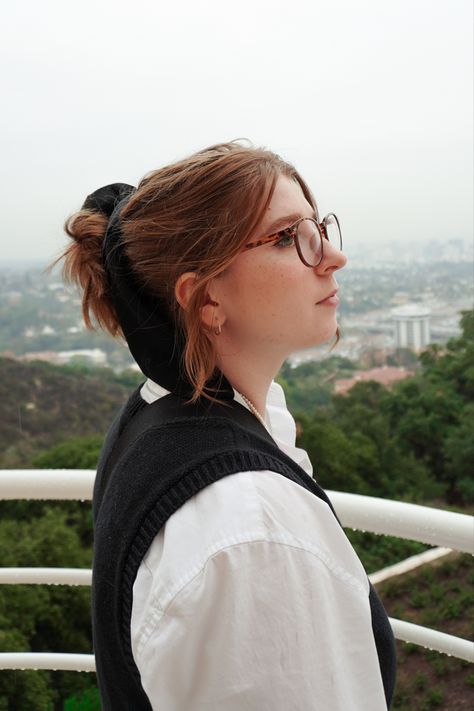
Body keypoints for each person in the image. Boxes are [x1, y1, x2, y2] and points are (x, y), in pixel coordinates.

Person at [59, 141, 396, 710]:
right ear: (205, 297)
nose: (332, 258)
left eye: (318, 228)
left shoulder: (155, 416)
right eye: (289, 238)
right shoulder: (250, 529)